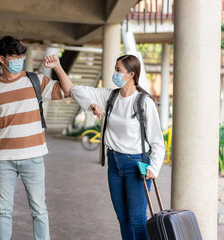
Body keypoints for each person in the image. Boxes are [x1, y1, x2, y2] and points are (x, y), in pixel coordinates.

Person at [0, 36, 73, 240]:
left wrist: (58, 67)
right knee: (3, 210)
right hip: (4, 160)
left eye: (21, 56)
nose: (19, 60)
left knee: (39, 210)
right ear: (2, 59)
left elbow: (68, 91)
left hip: (33, 156)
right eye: (14, 56)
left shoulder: (35, 80)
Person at [70, 55, 164, 240]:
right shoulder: (110, 96)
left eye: (118, 70)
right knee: (123, 219)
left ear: (131, 74)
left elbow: (157, 142)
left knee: (137, 219)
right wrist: (92, 105)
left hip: (137, 166)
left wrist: (154, 168)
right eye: (115, 69)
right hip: (114, 162)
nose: (114, 73)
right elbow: (77, 89)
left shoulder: (144, 102)